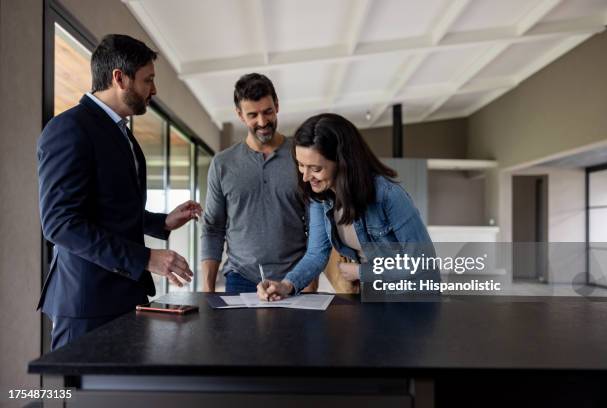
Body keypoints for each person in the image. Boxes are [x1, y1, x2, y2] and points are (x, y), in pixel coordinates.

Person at [37, 34, 202, 350]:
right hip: (87, 305)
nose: (153, 90)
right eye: (148, 80)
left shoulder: (123, 134)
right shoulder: (68, 129)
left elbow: (108, 210)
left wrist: (162, 223)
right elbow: (61, 224)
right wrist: (145, 259)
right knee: (79, 399)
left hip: (126, 297)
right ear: (119, 78)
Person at [257, 113, 440, 300]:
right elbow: (316, 254)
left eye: (316, 168)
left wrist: (362, 272)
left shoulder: (389, 196)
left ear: (342, 162)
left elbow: (423, 263)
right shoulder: (320, 198)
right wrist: (287, 285)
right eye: (301, 165)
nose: (305, 176)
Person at [200, 73, 316, 293]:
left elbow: (315, 226)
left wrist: (309, 281)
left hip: (295, 277)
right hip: (240, 278)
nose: (262, 122)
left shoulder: (301, 157)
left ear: (277, 106)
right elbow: (213, 228)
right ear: (240, 115)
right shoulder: (222, 164)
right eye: (253, 115)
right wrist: (208, 292)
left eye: (268, 112)